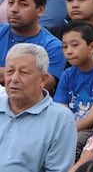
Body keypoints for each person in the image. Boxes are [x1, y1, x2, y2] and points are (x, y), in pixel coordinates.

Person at [0, 43, 77, 172]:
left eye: (23, 72)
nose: (14, 79)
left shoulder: (60, 119)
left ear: (43, 79)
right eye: (10, 71)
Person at [54, 21, 93, 151]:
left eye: (74, 45)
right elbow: (61, 110)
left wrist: (63, 132)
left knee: (69, 144)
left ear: (92, 47)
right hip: (68, 126)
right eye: (64, 46)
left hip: (91, 129)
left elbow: (91, 119)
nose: (68, 51)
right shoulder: (67, 74)